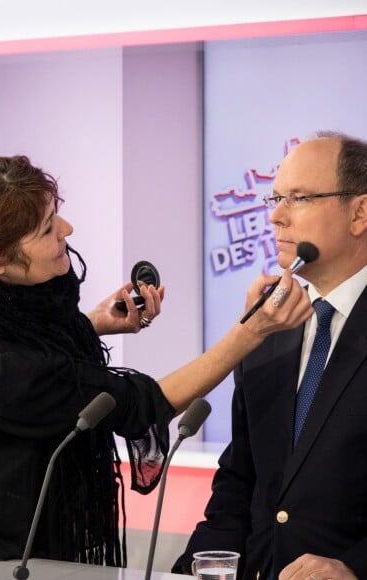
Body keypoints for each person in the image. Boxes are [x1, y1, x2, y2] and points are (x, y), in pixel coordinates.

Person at [0, 154, 312, 567]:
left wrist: (92, 323)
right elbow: (142, 403)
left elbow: (23, 344)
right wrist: (251, 332)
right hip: (16, 558)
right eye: (47, 228)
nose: (67, 229)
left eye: (55, 215)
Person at [172, 131, 367, 580]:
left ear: (359, 213)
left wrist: (355, 567)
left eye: (298, 198)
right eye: (275, 198)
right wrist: (193, 569)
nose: (276, 217)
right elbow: (240, 481)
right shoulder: (269, 325)